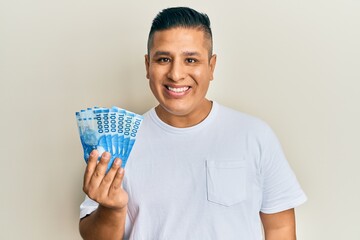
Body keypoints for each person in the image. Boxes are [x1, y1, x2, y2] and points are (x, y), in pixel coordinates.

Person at [79, 7, 307, 240]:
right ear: (148, 66)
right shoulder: (116, 145)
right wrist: (112, 209)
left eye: (191, 59)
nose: (176, 74)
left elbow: (279, 228)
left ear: (211, 66)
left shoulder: (254, 135)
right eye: (164, 59)